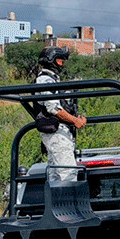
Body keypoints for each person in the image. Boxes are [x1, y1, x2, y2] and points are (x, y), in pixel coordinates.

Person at [34, 47, 86, 182]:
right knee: (68, 174)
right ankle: (69, 203)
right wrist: (75, 120)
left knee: (55, 175)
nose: (62, 63)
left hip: (58, 132)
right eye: (60, 60)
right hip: (57, 133)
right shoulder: (46, 80)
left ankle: (54, 202)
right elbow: (54, 108)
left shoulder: (50, 79)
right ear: (52, 61)